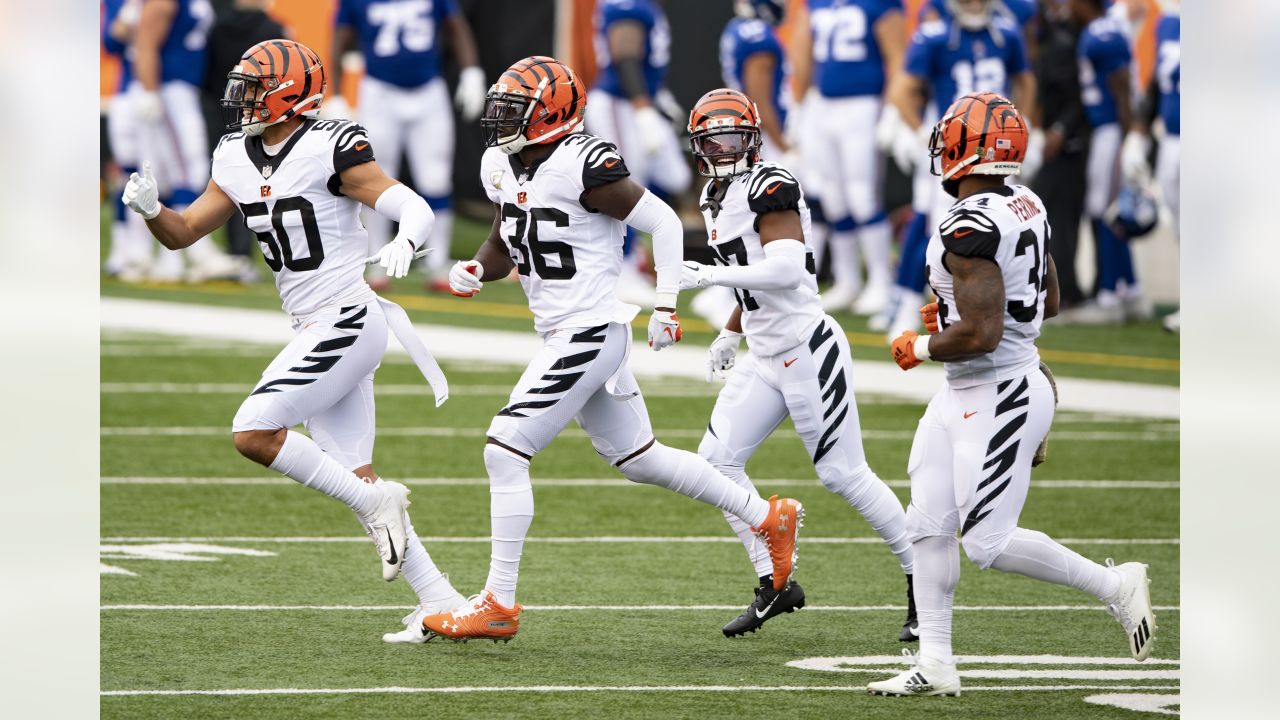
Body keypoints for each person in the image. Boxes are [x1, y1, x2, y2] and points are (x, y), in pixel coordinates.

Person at [419, 57, 803, 644]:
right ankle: (765, 516)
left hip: (591, 329)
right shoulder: (500, 162)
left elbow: (666, 225)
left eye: (514, 109)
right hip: (565, 331)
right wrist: (477, 266)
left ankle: (498, 602)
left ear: (550, 114)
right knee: (639, 458)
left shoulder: (585, 163)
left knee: (504, 448)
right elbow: (508, 235)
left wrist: (667, 303)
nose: (499, 119)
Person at [120, 39, 463, 644]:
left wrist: (406, 241)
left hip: (347, 317)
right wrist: (150, 210)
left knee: (254, 432)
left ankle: (381, 503)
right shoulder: (234, 154)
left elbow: (409, 203)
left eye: (254, 87)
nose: (242, 98)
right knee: (355, 476)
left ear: (288, 92)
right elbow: (184, 234)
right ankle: (442, 601)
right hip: (312, 324)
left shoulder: (330, 142)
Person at [868, 92, 1157, 696]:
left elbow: (981, 331)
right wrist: (952, 304)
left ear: (969, 150)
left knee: (987, 542)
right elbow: (1044, 300)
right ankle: (936, 662)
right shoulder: (1026, 202)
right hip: (978, 386)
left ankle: (1116, 585)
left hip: (999, 389)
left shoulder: (968, 222)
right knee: (927, 523)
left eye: (950, 137)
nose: (940, 147)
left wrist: (918, 347)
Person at [679, 89, 916, 640]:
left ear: (753, 138)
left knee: (844, 474)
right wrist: (729, 330)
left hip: (807, 348)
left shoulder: (770, 184)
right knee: (715, 465)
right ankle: (775, 581)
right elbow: (751, 275)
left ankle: (921, 580)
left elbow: (785, 270)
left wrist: (711, 278)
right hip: (764, 351)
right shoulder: (717, 194)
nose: (723, 147)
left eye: (733, 136)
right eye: (712, 138)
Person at [877, 0, 1037, 340]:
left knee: (1005, 221)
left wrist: (1026, 122)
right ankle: (923, 309)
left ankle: (1004, 307)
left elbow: (1025, 80)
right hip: (955, 148)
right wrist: (919, 130)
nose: (974, 4)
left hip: (996, 145)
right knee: (943, 228)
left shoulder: (1007, 32)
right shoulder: (935, 36)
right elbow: (902, 90)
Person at [332, 0, 487, 292]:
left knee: (436, 178)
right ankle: (377, 259)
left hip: (428, 89)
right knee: (373, 177)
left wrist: (471, 71)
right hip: (379, 91)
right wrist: (338, 94)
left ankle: (438, 262)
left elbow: (456, 27)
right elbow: (340, 38)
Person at [790, 0, 906, 316]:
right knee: (832, 196)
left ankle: (882, 281)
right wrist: (800, 104)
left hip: (863, 103)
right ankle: (847, 280)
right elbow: (802, 52)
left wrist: (893, 108)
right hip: (823, 104)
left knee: (862, 196)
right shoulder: (817, 3)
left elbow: (897, 56)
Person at [690, 0, 795, 330]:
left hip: (741, 133)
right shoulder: (759, 34)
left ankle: (727, 295)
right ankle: (727, 297)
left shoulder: (736, 28)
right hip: (754, 135)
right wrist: (782, 140)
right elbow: (759, 94)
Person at [585, 0, 692, 307]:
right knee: (625, 185)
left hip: (637, 100)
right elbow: (624, 55)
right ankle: (622, 269)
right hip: (620, 104)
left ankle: (637, 249)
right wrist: (644, 110)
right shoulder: (629, 5)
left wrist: (659, 97)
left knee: (675, 176)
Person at [131, 0, 246, 283]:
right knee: (187, 166)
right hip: (169, 87)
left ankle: (171, 260)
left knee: (180, 170)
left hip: (184, 87)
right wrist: (149, 90)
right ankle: (197, 252)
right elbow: (144, 43)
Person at [1062, 0, 1143, 324]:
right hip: (1107, 130)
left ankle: (1110, 296)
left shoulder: (1102, 33)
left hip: (1112, 130)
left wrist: (1130, 137)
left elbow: (1122, 90)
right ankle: (1132, 291)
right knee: (1108, 210)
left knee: (1106, 211)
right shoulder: (1102, 27)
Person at [200, 0, 290, 280]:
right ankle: (277, 254)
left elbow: (205, 72)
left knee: (229, 184)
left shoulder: (215, 25)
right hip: (265, 114)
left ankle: (237, 255)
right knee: (273, 185)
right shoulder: (274, 29)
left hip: (219, 111)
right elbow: (288, 76)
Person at [1126, 0, 1179, 332]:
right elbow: (1158, 83)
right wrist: (1140, 131)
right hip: (1174, 139)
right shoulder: (1169, 22)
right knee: (1184, 226)